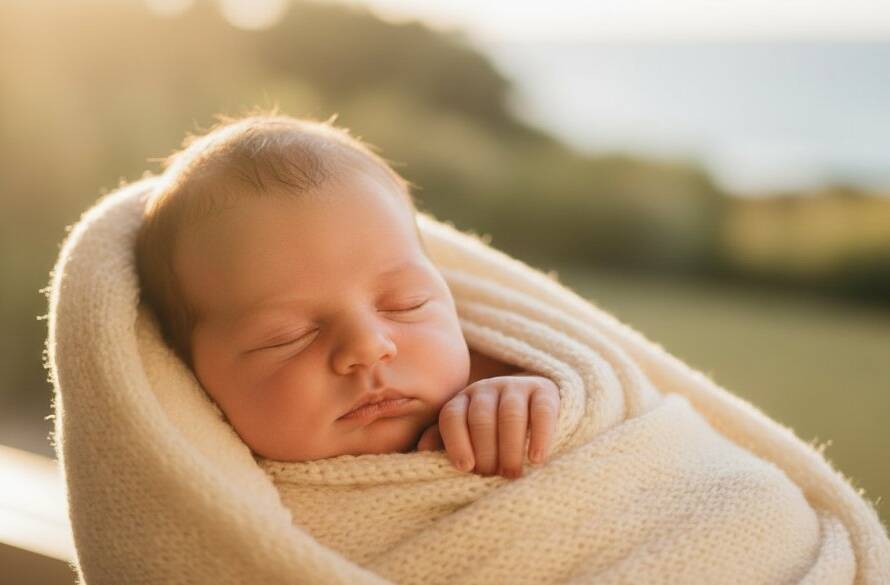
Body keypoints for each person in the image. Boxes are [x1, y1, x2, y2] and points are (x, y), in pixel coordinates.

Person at [135, 111, 560, 479]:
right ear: (188, 373)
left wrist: (523, 394)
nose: (369, 346)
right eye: (288, 336)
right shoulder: (214, 501)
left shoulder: (493, 384)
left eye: (405, 303)